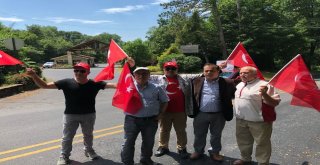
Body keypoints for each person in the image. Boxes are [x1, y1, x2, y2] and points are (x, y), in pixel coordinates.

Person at [26, 60, 132, 165]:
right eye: (76, 70)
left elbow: (115, 85)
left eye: (82, 71)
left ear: (88, 72)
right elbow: (45, 86)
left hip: (89, 115)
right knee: (67, 137)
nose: (78, 73)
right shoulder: (66, 82)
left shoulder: (94, 83)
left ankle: (89, 150)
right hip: (70, 115)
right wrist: (34, 75)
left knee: (88, 135)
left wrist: (130, 76)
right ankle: (64, 156)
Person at [121, 67, 169, 165]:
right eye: (138, 74)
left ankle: (146, 160)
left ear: (149, 75)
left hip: (151, 120)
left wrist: (161, 114)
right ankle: (127, 162)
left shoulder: (157, 87)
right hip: (132, 120)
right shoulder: (128, 87)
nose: (141, 76)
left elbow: (165, 101)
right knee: (128, 142)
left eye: (144, 73)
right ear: (134, 75)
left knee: (148, 142)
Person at [233, 66, 280, 165]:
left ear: (255, 74)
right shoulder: (240, 84)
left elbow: (274, 103)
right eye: (241, 73)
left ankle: (263, 163)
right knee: (243, 142)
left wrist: (264, 94)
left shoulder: (264, 85)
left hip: (259, 122)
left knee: (262, 144)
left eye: (246, 73)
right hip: (241, 120)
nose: (242, 75)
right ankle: (245, 159)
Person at [190, 63, 236, 162]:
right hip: (201, 114)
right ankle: (198, 151)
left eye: (212, 71)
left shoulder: (227, 82)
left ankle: (215, 152)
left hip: (219, 115)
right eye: (206, 71)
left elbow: (234, 93)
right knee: (199, 134)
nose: (209, 72)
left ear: (218, 71)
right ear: (203, 72)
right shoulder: (196, 81)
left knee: (216, 135)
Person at [150, 61, 192, 159]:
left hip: (180, 110)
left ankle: (182, 148)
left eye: (173, 68)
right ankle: (163, 147)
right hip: (164, 110)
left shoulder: (183, 78)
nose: (170, 70)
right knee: (164, 130)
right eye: (167, 68)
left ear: (177, 70)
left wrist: (219, 68)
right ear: (163, 70)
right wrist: (131, 65)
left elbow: (201, 74)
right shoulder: (157, 78)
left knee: (181, 130)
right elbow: (139, 75)